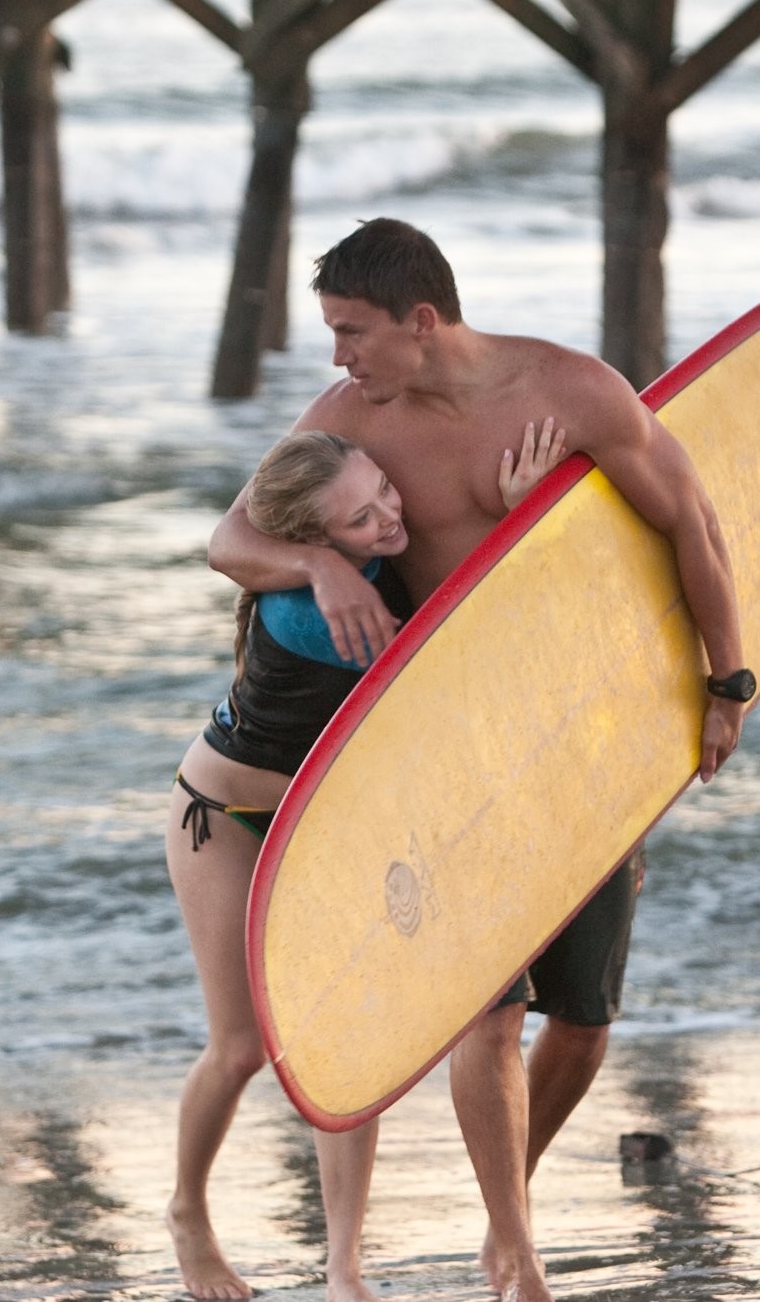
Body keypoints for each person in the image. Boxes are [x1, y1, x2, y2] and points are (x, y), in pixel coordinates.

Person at [206, 219, 753, 1302]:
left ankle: (508, 1206)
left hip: (576, 729)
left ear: (421, 320)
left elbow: (690, 519)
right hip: (448, 745)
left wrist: (724, 680)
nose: (336, 356)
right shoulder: (349, 419)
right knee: (490, 1009)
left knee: (583, 1023)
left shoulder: (571, 393)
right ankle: (513, 1248)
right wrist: (320, 566)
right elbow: (229, 540)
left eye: (352, 331)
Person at [167, 425, 569, 1302]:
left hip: (326, 827)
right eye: (360, 517)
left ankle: (342, 1270)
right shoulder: (317, 613)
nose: (389, 514)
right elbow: (451, 664)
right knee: (240, 1049)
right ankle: (188, 1211)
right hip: (225, 820)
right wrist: (518, 520)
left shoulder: (358, 564)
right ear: (312, 539)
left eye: (384, 486)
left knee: (343, 1039)